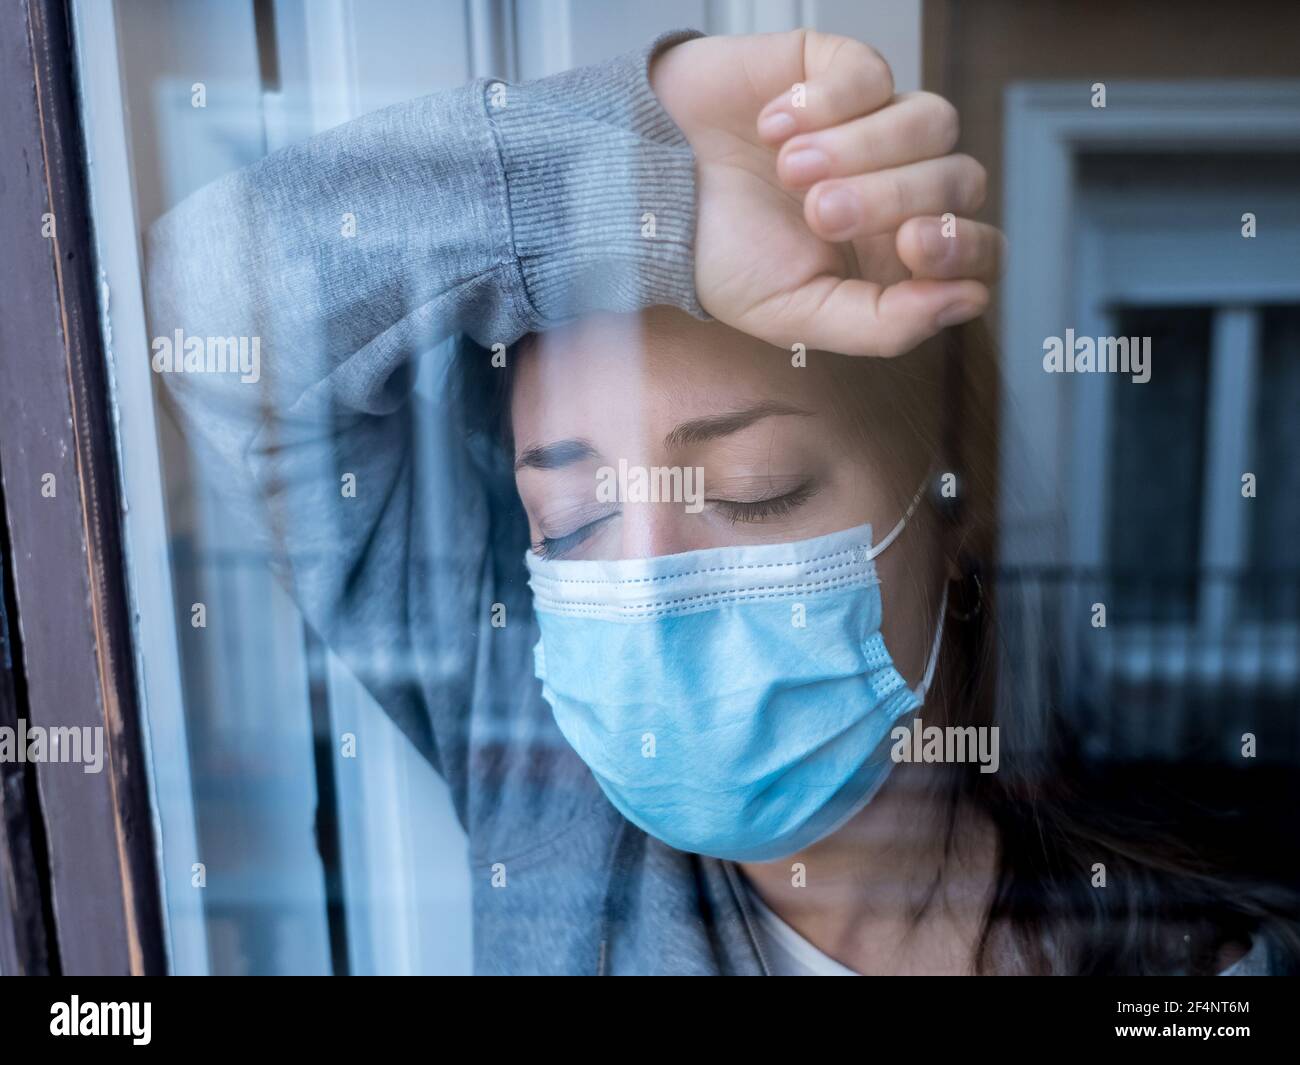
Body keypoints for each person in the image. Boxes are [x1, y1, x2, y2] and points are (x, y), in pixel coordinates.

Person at [145, 28, 1292, 974]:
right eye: (576, 522)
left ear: (952, 505)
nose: (645, 589)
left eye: (753, 491)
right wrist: (642, 172)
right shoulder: (535, 781)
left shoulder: (1196, 971)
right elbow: (213, 291)